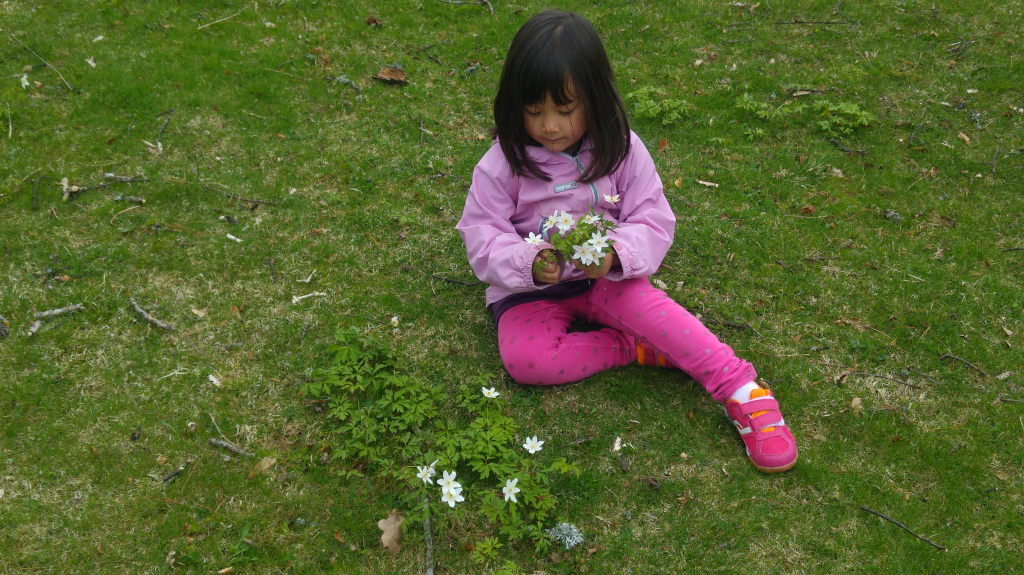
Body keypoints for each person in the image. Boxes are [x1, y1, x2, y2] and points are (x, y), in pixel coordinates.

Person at [456, 10, 797, 473]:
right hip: (528, 294)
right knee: (525, 360)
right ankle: (631, 348)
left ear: (595, 98)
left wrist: (617, 254)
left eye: (565, 110)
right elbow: (481, 234)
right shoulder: (502, 164)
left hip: (608, 282)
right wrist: (527, 261)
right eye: (534, 112)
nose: (550, 126)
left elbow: (652, 217)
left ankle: (743, 390)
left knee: (660, 314)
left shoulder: (622, 149)